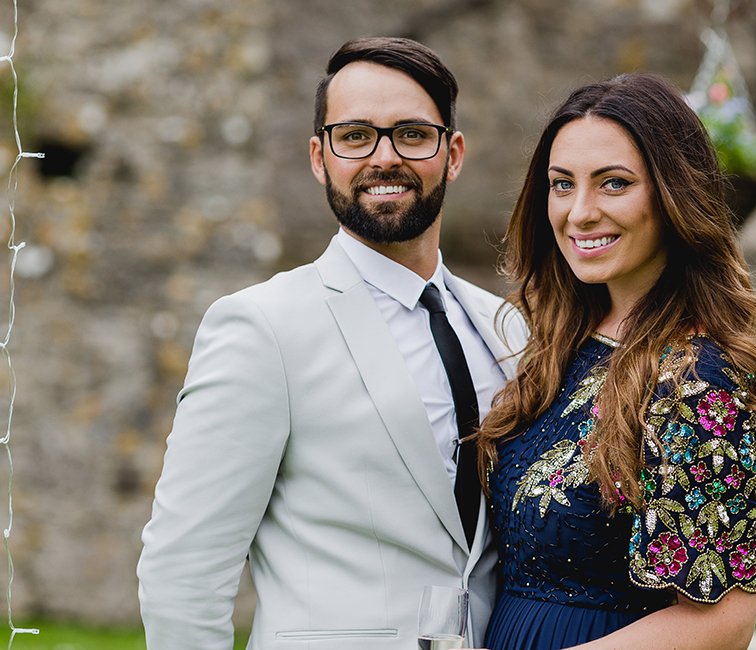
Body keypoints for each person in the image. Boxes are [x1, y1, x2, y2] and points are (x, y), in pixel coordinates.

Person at [137, 37, 525, 650]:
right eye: (354, 136)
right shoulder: (261, 327)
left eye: (412, 134)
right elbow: (182, 574)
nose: (384, 157)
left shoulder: (507, 329)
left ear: (452, 154)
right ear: (320, 157)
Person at [475, 73, 756, 650]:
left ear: (672, 195)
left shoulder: (697, 378)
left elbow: (722, 620)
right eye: (562, 185)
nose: (579, 212)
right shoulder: (560, 345)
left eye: (613, 184)